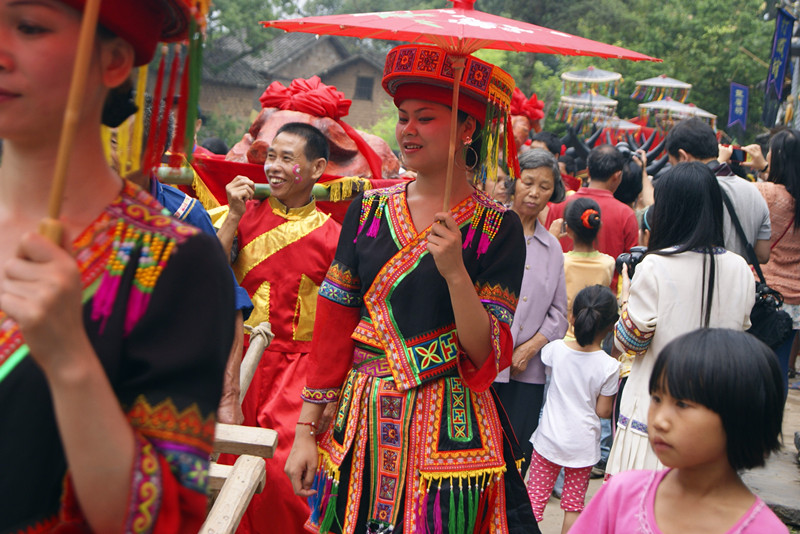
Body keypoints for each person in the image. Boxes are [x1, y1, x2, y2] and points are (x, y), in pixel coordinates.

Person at [0, 0, 236, 532]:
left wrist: (69, 359)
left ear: (112, 62)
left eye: (29, 26)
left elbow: (159, 519)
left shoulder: (173, 262)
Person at [284, 44, 538, 533]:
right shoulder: (368, 209)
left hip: (449, 426)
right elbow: (334, 326)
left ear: (467, 129)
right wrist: (304, 430)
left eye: (425, 118)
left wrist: (456, 272)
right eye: (403, 118)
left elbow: (486, 352)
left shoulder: (496, 227)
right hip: (362, 421)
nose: (408, 130)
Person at [216, 122, 342, 533]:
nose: (275, 166)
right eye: (271, 156)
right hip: (237, 363)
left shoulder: (334, 238)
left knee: (282, 480)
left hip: (297, 373)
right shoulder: (241, 215)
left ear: (318, 167)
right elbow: (207, 278)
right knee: (222, 466)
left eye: (288, 159)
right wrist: (232, 216)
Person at [606, 162, 755, 477]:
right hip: (716, 410)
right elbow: (741, 334)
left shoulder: (656, 266)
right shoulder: (741, 268)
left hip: (658, 413)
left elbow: (629, 342)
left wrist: (626, 297)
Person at [572, 328, 787, 534]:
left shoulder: (765, 530)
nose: (659, 421)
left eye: (682, 404)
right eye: (656, 399)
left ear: (741, 415)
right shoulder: (623, 494)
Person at [494, 148, 568, 477]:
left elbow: (558, 314)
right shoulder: (489, 230)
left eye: (545, 187)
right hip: (484, 366)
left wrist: (529, 347)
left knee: (515, 457)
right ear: (514, 183)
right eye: (528, 182)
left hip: (527, 373)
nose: (535, 193)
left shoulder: (552, 248)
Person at [526, 285, 620, 533]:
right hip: (583, 446)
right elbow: (603, 412)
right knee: (573, 506)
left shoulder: (555, 350)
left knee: (533, 503)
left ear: (572, 317)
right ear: (611, 326)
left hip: (549, 440)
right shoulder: (610, 367)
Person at [736, 129, 800, 393]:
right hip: (795, 303)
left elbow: (737, 193)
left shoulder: (766, 192)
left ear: (779, 157)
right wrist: (764, 168)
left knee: (747, 366)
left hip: (763, 297)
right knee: (780, 368)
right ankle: (772, 426)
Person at [668, 117, 771, 263]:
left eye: (673, 165)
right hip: (741, 283)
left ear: (683, 157)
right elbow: (762, 254)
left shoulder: (685, 191)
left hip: (696, 282)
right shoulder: (755, 193)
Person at [546, 145, 638, 291]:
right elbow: (630, 268)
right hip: (605, 305)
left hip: (559, 301)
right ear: (617, 175)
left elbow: (545, 253)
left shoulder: (558, 206)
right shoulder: (626, 214)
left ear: (587, 170)